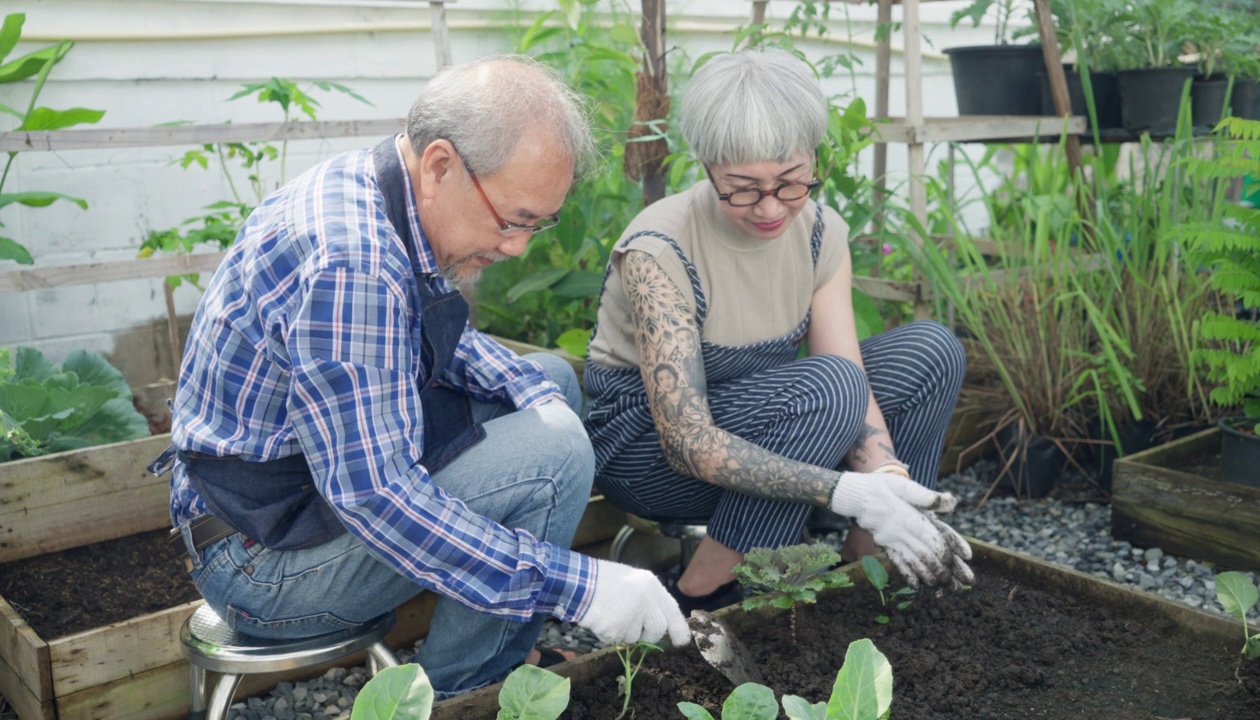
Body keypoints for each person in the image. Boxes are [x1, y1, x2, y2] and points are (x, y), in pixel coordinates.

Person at [148, 54, 689, 701]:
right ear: (440, 165)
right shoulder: (353, 264)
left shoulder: (390, 191)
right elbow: (375, 495)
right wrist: (580, 584)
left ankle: (495, 630)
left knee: (548, 381)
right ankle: (466, 690)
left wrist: (543, 397)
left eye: (534, 225)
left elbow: (447, 343)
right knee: (556, 456)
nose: (518, 246)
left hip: (299, 493)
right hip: (262, 564)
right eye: (513, 220)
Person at [583, 47, 974, 615]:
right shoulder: (659, 249)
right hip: (648, 451)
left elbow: (850, 372)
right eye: (743, 187)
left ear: (812, 158)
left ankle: (870, 568)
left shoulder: (819, 232)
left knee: (931, 350)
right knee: (829, 388)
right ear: (705, 163)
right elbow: (686, 442)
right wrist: (845, 491)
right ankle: (702, 593)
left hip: (766, 418)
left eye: (792, 182)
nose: (771, 208)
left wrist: (886, 481)